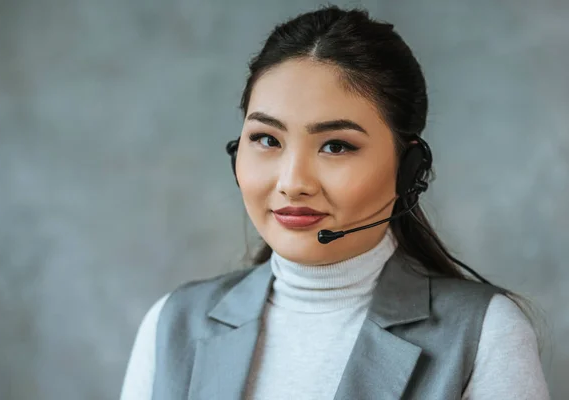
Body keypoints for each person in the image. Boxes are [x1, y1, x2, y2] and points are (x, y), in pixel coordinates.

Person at [120, 5, 549, 400]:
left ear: (408, 168)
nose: (292, 183)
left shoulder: (484, 334)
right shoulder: (173, 324)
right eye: (267, 139)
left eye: (337, 146)